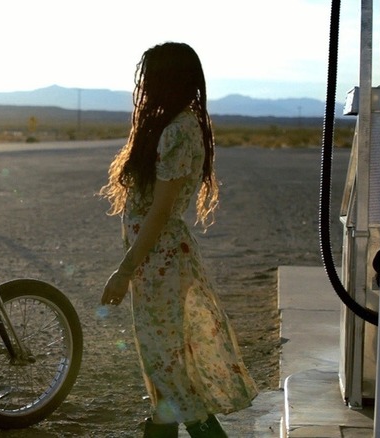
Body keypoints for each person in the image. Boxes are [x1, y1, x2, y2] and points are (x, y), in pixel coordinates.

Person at [100, 43, 257, 438]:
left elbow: (160, 212)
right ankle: (160, 428)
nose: (144, 86)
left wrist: (124, 271)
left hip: (159, 262)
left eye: (149, 78)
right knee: (163, 362)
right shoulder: (181, 126)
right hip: (159, 261)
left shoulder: (177, 132)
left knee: (166, 363)